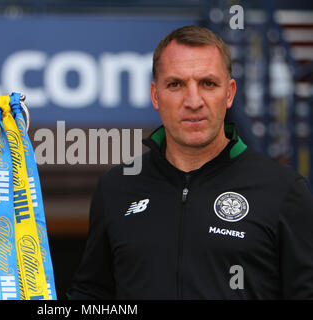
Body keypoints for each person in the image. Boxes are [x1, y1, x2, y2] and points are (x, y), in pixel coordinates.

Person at [69, 25, 313, 299]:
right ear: (155, 95)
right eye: (176, 84)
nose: (193, 101)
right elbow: (92, 293)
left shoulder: (283, 190)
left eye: (208, 84)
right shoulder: (116, 187)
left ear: (230, 93)